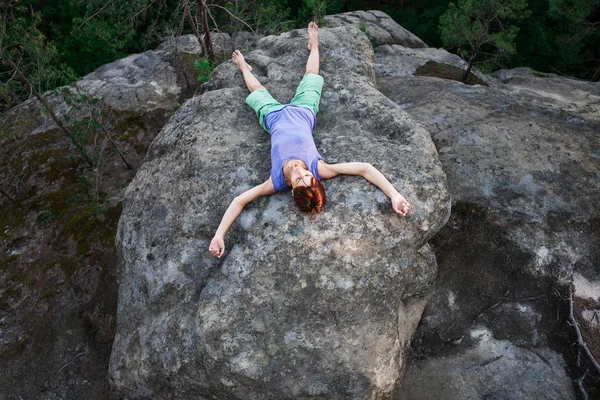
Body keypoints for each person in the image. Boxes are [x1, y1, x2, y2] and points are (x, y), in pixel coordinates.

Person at [209, 22, 411, 258]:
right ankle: (313, 42)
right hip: (304, 110)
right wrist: (395, 194)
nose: (301, 174)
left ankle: (244, 67)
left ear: (293, 191)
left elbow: (239, 201)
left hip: (273, 119)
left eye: (299, 181)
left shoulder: (275, 182)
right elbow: (365, 169)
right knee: (311, 75)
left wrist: (219, 235)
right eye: (308, 178)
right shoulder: (319, 168)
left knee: (256, 90)